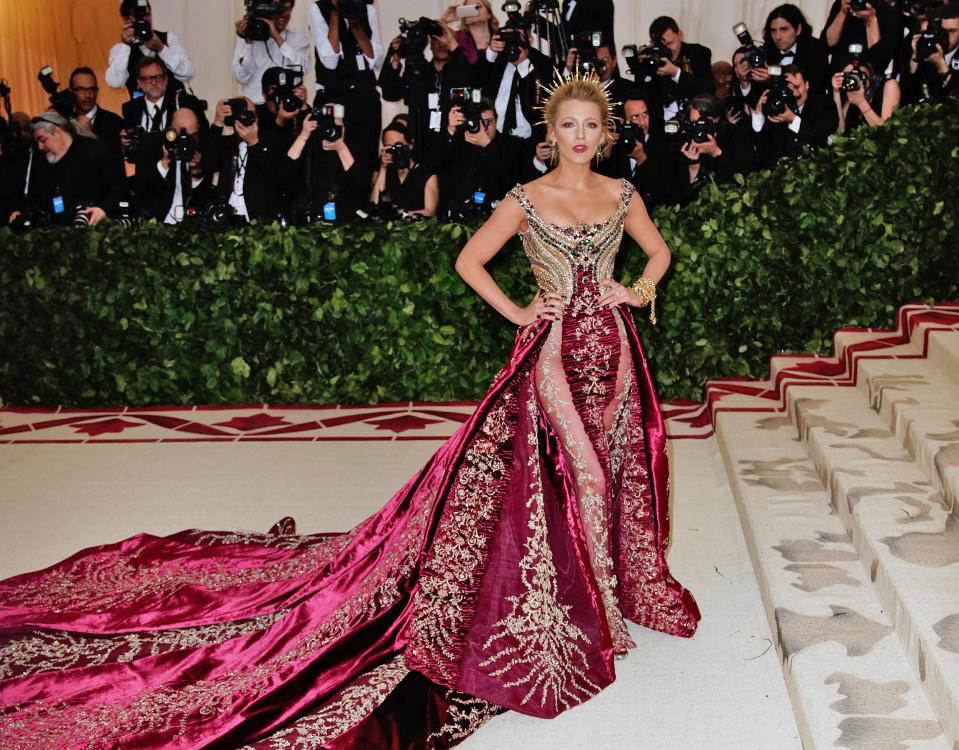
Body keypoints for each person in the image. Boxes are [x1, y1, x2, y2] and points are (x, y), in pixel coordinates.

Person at [0, 69, 699, 747]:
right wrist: (520, 309)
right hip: (549, 353)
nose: (578, 136)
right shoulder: (524, 197)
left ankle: (599, 586)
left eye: (589, 126)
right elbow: (467, 262)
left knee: (612, 467)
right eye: (566, 126)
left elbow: (659, 251)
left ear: (604, 132)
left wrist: (635, 291)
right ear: (548, 132)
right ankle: (600, 615)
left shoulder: (621, 192)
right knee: (583, 471)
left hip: (612, 351)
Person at [9, 111, 127, 226]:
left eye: (43, 140)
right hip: (58, 234)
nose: (40, 147)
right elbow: (35, 199)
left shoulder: (98, 150)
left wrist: (104, 209)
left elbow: (118, 186)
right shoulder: (42, 163)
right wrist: (23, 213)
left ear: (57, 132)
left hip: (98, 228)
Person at [309, 0, 385, 172]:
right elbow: (329, 60)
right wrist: (335, 15)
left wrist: (356, 25)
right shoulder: (318, 9)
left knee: (364, 161)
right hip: (332, 97)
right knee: (330, 161)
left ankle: (365, 198)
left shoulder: (366, 10)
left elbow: (376, 60)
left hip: (365, 97)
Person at [131, 107, 212, 223]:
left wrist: (196, 169)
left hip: (190, 223)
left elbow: (204, 196)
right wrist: (164, 163)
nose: (187, 140)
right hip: (158, 222)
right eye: (183, 135)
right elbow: (142, 187)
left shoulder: (202, 145)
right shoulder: (151, 143)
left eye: (193, 135)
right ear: (172, 131)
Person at [752, 64, 839, 167]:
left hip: (813, 170)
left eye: (797, 87)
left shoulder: (824, 105)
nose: (795, 93)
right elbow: (762, 150)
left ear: (807, 85)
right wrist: (759, 114)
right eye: (788, 88)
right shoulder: (777, 107)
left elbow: (820, 136)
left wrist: (793, 120)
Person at [105, 0, 195, 97]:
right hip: (141, 109)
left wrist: (162, 49)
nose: (144, 20)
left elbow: (188, 72)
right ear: (126, 20)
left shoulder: (168, 38)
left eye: (147, 15)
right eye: (138, 17)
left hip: (175, 106)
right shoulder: (120, 49)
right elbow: (115, 83)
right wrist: (125, 46)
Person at [232, 0, 312, 105]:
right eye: (277, 8)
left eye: (286, 9)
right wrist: (247, 42)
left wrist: (276, 36)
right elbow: (241, 77)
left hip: (286, 108)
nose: (282, 14)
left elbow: (302, 68)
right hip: (256, 108)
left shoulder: (297, 38)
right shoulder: (249, 36)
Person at [638, 16, 714, 122]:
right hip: (659, 126)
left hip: (689, 122)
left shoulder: (699, 53)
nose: (667, 50)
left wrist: (676, 73)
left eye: (670, 43)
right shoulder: (652, 58)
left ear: (680, 35)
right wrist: (640, 68)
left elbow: (707, 90)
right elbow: (643, 97)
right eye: (662, 45)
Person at [121, 58, 208, 138]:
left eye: (158, 77)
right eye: (147, 78)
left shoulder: (187, 102)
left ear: (166, 79)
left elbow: (203, 136)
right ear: (139, 82)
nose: (154, 83)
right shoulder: (130, 108)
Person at [369, 120, 439, 217]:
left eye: (399, 146)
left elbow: (430, 212)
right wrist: (383, 168)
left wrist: (403, 214)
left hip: (416, 229)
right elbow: (374, 205)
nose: (397, 151)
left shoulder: (427, 175)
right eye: (390, 147)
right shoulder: (384, 172)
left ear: (411, 144)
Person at [761, 4, 830, 95]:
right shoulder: (767, 51)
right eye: (773, 31)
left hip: (808, 107)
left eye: (783, 30)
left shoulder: (815, 48)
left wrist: (775, 76)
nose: (777, 37)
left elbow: (816, 86)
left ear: (798, 29)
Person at [830, 60, 900, 132]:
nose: (853, 77)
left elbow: (886, 131)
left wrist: (861, 103)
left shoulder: (889, 85)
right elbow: (840, 130)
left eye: (855, 72)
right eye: (848, 75)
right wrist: (836, 92)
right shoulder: (853, 93)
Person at [69, 67, 124, 148]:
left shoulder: (114, 122)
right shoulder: (61, 121)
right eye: (81, 89)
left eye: (92, 89)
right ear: (71, 91)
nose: (88, 95)